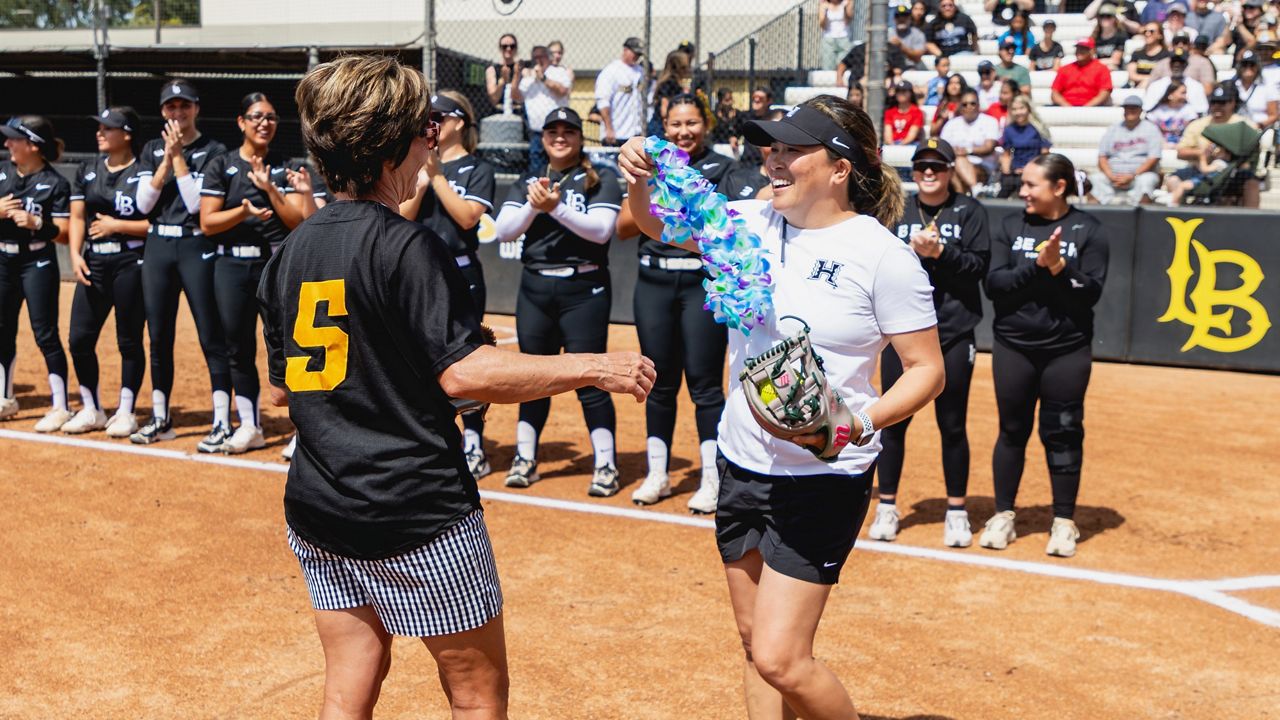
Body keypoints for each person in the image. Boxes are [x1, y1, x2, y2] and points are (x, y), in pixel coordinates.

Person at [261, 54, 654, 720]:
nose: (433, 138)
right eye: (423, 128)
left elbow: (282, 393)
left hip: (320, 503)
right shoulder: (406, 244)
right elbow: (465, 373)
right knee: (476, 693)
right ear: (389, 146)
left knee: (349, 677)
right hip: (416, 508)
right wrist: (594, 365)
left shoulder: (289, 253)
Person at [617, 94, 945, 720]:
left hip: (822, 476)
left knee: (781, 658)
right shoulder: (747, 221)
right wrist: (639, 180)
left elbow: (928, 370)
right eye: (772, 147)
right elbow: (656, 225)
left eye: (794, 149)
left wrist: (856, 423)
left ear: (840, 168)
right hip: (742, 462)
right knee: (752, 645)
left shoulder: (883, 257)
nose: (774, 159)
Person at [616, 94, 768, 513]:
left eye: (692, 123)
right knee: (658, 381)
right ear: (664, 127)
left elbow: (748, 212)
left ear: (707, 124)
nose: (684, 131)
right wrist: (644, 184)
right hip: (654, 281)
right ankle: (658, 473)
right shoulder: (648, 164)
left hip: (701, 286)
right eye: (675, 124)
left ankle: (711, 478)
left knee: (704, 384)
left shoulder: (727, 169)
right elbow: (625, 226)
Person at [982, 153, 1109, 559]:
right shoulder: (1009, 225)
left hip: (1066, 350)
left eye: (1032, 185)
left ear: (1058, 187)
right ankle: (1003, 514)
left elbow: (1090, 293)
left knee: (1063, 432)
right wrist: (1038, 267)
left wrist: (1059, 269)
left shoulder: (1089, 230)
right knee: (1011, 430)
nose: (1023, 192)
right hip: (1014, 346)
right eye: (1023, 184)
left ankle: (1063, 521)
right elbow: (995, 284)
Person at [494, 107, 626, 496]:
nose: (560, 136)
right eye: (552, 130)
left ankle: (605, 464)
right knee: (532, 379)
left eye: (568, 130)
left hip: (583, 290)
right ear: (543, 137)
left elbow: (602, 232)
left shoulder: (598, 178)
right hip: (535, 289)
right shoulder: (529, 181)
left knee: (590, 378)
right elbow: (503, 231)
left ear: (580, 136)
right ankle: (525, 457)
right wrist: (535, 205)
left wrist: (556, 208)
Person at [871, 138, 988, 547]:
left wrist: (940, 253)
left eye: (937, 166)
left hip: (953, 331)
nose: (928, 173)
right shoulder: (899, 207)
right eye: (921, 166)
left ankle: (956, 510)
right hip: (902, 334)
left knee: (952, 423)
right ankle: (887, 505)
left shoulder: (969, 211)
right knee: (893, 419)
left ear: (951, 169)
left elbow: (978, 268)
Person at [198, 92, 306, 454]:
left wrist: (269, 187)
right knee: (237, 346)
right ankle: (249, 425)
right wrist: (242, 211)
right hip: (230, 264)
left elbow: (296, 221)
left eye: (272, 117)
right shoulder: (221, 164)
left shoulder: (283, 164)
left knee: (289, 345)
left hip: (274, 264)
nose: (265, 123)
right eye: (257, 116)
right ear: (241, 122)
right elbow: (208, 222)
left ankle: (304, 430)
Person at [399, 91, 498, 478]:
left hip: (459, 270)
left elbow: (467, 218)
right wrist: (422, 179)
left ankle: (473, 442)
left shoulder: (477, 168)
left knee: (467, 357)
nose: (431, 122)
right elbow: (402, 217)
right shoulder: (413, 164)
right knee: (413, 356)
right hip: (416, 272)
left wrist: (437, 176)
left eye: (438, 115)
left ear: (458, 122)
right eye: (428, 117)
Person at [132, 79, 232, 447]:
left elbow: (194, 205)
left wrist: (177, 157)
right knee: (158, 335)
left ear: (196, 108)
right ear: (162, 111)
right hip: (158, 243)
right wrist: (165, 158)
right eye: (171, 107)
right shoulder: (150, 148)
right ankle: (161, 417)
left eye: (184, 106)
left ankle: (222, 419)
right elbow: (143, 205)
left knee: (211, 334)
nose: (178, 112)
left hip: (195, 245)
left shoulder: (214, 150)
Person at [62, 108, 150, 436]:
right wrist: (74, 253)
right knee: (79, 339)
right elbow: (77, 217)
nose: (100, 132)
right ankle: (92, 408)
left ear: (126, 134)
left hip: (130, 263)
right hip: (94, 262)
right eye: (99, 127)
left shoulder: (144, 170)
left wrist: (119, 225)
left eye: (108, 128)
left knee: (128, 339)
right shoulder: (88, 168)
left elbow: (161, 223)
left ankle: (126, 410)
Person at [0, 115, 71, 430]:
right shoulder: (2, 173)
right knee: (2, 330)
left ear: (32, 146)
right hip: (3, 259)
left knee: (46, 333)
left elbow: (66, 233)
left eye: (14, 139)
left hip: (38, 261)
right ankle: (4, 398)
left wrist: (37, 224)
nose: (7, 144)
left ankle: (61, 406)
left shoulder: (56, 183)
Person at [1164, 83, 1261, 206]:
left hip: (1232, 171)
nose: (1217, 107)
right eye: (1214, 103)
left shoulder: (1245, 125)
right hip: (1199, 169)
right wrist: (1201, 153)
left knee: (1251, 182)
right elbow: (1181, 152)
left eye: (1222, 103)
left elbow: (1251, 154)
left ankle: (1251, 220)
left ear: (1232, 103)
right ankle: (1178, 217)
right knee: (1173, 180)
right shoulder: (1197, 124)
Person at [1090, 95, 1165, 204]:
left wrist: (1132, 175)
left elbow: (1154, 158)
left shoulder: (1151, 129)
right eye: (1127, 108)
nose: (1130, 111)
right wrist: (1110, 175)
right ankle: (1101, 214)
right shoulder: (1113, 129)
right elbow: (1102, 156)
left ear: (1140, 110)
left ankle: (1141, 216)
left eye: (1133, 108)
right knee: (1095, 179)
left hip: (1138, 175)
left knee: (1147, 180)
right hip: (1113, 176)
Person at [519, 44, 572, 174]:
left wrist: (543, 78)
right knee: (537, 167)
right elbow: (518, 96)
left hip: (556, 130)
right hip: (537, 132)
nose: (538, 60)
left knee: (559, 165)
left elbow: (562, 91)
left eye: (541, 56)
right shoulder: (528, 76)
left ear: (548, 57)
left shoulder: (558, 72)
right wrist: (517, 75)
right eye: (535, 57)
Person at [940, 88, 1002, 191]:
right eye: (964, 104)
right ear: (960, 107)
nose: (969, 107)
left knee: (957, 163)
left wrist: (966, 151)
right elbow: (942, 147)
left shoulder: (990, 121)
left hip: (983, 166)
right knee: (952, 171)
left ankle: (971, 192)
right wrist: (955, 152)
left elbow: (989, 147)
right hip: (954, 167)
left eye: (972, 103)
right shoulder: (951, 124)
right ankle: (974, 193)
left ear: (978, 105)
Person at [595, 37, 647, 146]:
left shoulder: (640, 71)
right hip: (616, 133)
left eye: (639, 54)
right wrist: (609, 129)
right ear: (625, 50)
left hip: (635, 133)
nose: (637, 57)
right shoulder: (611, 71)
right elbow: (603, 102)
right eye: (635, 53)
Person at [999, 95, 1053, 197]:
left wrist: (1029, 169)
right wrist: (1007, 173)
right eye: (1014, 109)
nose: (1018, 112)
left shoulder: (1038, 129)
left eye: (1021, 108)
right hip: (1016, 172)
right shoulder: (1009, 130)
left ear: (1028, 109)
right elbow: (1006, 155)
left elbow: (1045, 156)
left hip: (1036, 170)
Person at [1144, 49, 1211, 113]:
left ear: (1186, 65)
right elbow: (1147, 109)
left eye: (1181, 62)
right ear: (1169, 64)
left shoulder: (1196, 87)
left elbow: (1202, 110)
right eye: (1174, 62)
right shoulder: (1156, 86)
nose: (1177, 65)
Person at [1149, 34, 1218, 93]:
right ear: (1171, 46)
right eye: (1176, 42)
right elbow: (1150, 87)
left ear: (1190, 45)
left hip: (1192, 103)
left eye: (1184, 42)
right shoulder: (1162, 63)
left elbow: (1208, 89)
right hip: (1164, 103)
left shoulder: (1202, 62)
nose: (1180, 45)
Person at [1053, 38, 1114, 106]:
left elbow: (1105, 92)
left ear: (1092, 51)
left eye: (1083, 49)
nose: (1079, 51)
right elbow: (1055, 93)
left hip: (1092, 109)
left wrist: (1087, 108)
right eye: (1078, 49)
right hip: (1066, 108)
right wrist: (1066, 106)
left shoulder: (1102, 69)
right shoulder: (1065, 69)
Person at [1146, 79, 1204, 143]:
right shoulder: (1158, 110)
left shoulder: (1188, 110)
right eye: (1183, 93)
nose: (1185, 96)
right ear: (1171, 94)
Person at [1233, 50, 1280, 127]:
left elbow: (1274, 115)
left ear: (1257, 67)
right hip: (1235, 128)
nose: (1248, 67)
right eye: (1244, 65)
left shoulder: (1268, 87)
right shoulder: (1232, 86)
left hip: (1261, 129)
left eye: (1252, 65)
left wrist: (1257, 126)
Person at [650, 50, 692, 136]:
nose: (688, 69)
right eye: (685, 67)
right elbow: (664, 111)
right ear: (678, 67)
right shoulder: (669, 83)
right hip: (661, 128)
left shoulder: (675, 83)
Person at [485, 33, 525, 118]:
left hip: (518, 113)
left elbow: (520, 99)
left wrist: (516, 76)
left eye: (512, 46)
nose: (508, 49)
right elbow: (494, 99)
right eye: (504, 46)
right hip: (498, 113)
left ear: (516, 48)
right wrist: (502, 80)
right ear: (500, 48)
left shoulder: (521, 70)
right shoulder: (492, 70)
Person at [1128, 23, 1171, 88]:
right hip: (1138, 86)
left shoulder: (1166, 55)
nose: (1147, 34)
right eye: (1145, 31)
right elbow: (1132, 75)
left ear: (1160, 35)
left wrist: (1148, 80)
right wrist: (1148, 79)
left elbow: (1165, 75)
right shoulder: (1137, 53)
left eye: (1151, 31)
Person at [888, 4, 928, 71]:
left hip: (911, 68)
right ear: (894, 19)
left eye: (905, 16)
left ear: (910, 18)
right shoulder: (888, 33)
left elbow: (917, 57)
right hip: (892, 69)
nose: (901, 18)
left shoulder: (918, 34)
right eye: (898, 16)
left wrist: (901, 46)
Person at [930, 73, 970, 137]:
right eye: (951, 83)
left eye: (957, 83)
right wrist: (942, 119)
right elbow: (932, 132)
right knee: (930, 143)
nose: (953, 86)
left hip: (962, 139)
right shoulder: (942, 105)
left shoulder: (968, 105)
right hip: (943, 141)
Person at [820, 0, 856, 70]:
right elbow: (822, 25)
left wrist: (845, 9)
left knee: (842, 66)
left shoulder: (847, 2)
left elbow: (848, 21)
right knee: (828, 67)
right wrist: (825, 12)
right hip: (829, 40)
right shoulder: (824, 4)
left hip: (844, 39)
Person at [1092, 4, 1131, 69]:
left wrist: (1094, 62)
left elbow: (1115, 60)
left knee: (1110, 67)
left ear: (1114, 18)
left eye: (1108, 16)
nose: (1105, 19)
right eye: (1102, 16)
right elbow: (1090, 56)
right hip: (1098, 67)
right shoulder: (1095, 36)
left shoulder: (1120, 36)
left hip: (1114, 68)